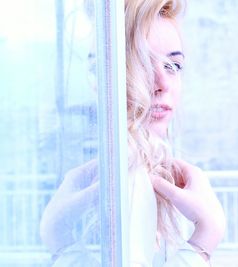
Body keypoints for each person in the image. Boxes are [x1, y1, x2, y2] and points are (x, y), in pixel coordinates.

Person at [39, 0, 226, 266]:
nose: (162, 84)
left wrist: (62, 245)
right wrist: (204, 240)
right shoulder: (128, 182)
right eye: (142, 64)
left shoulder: (137, 171)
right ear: (106, 77)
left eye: (173, 66)